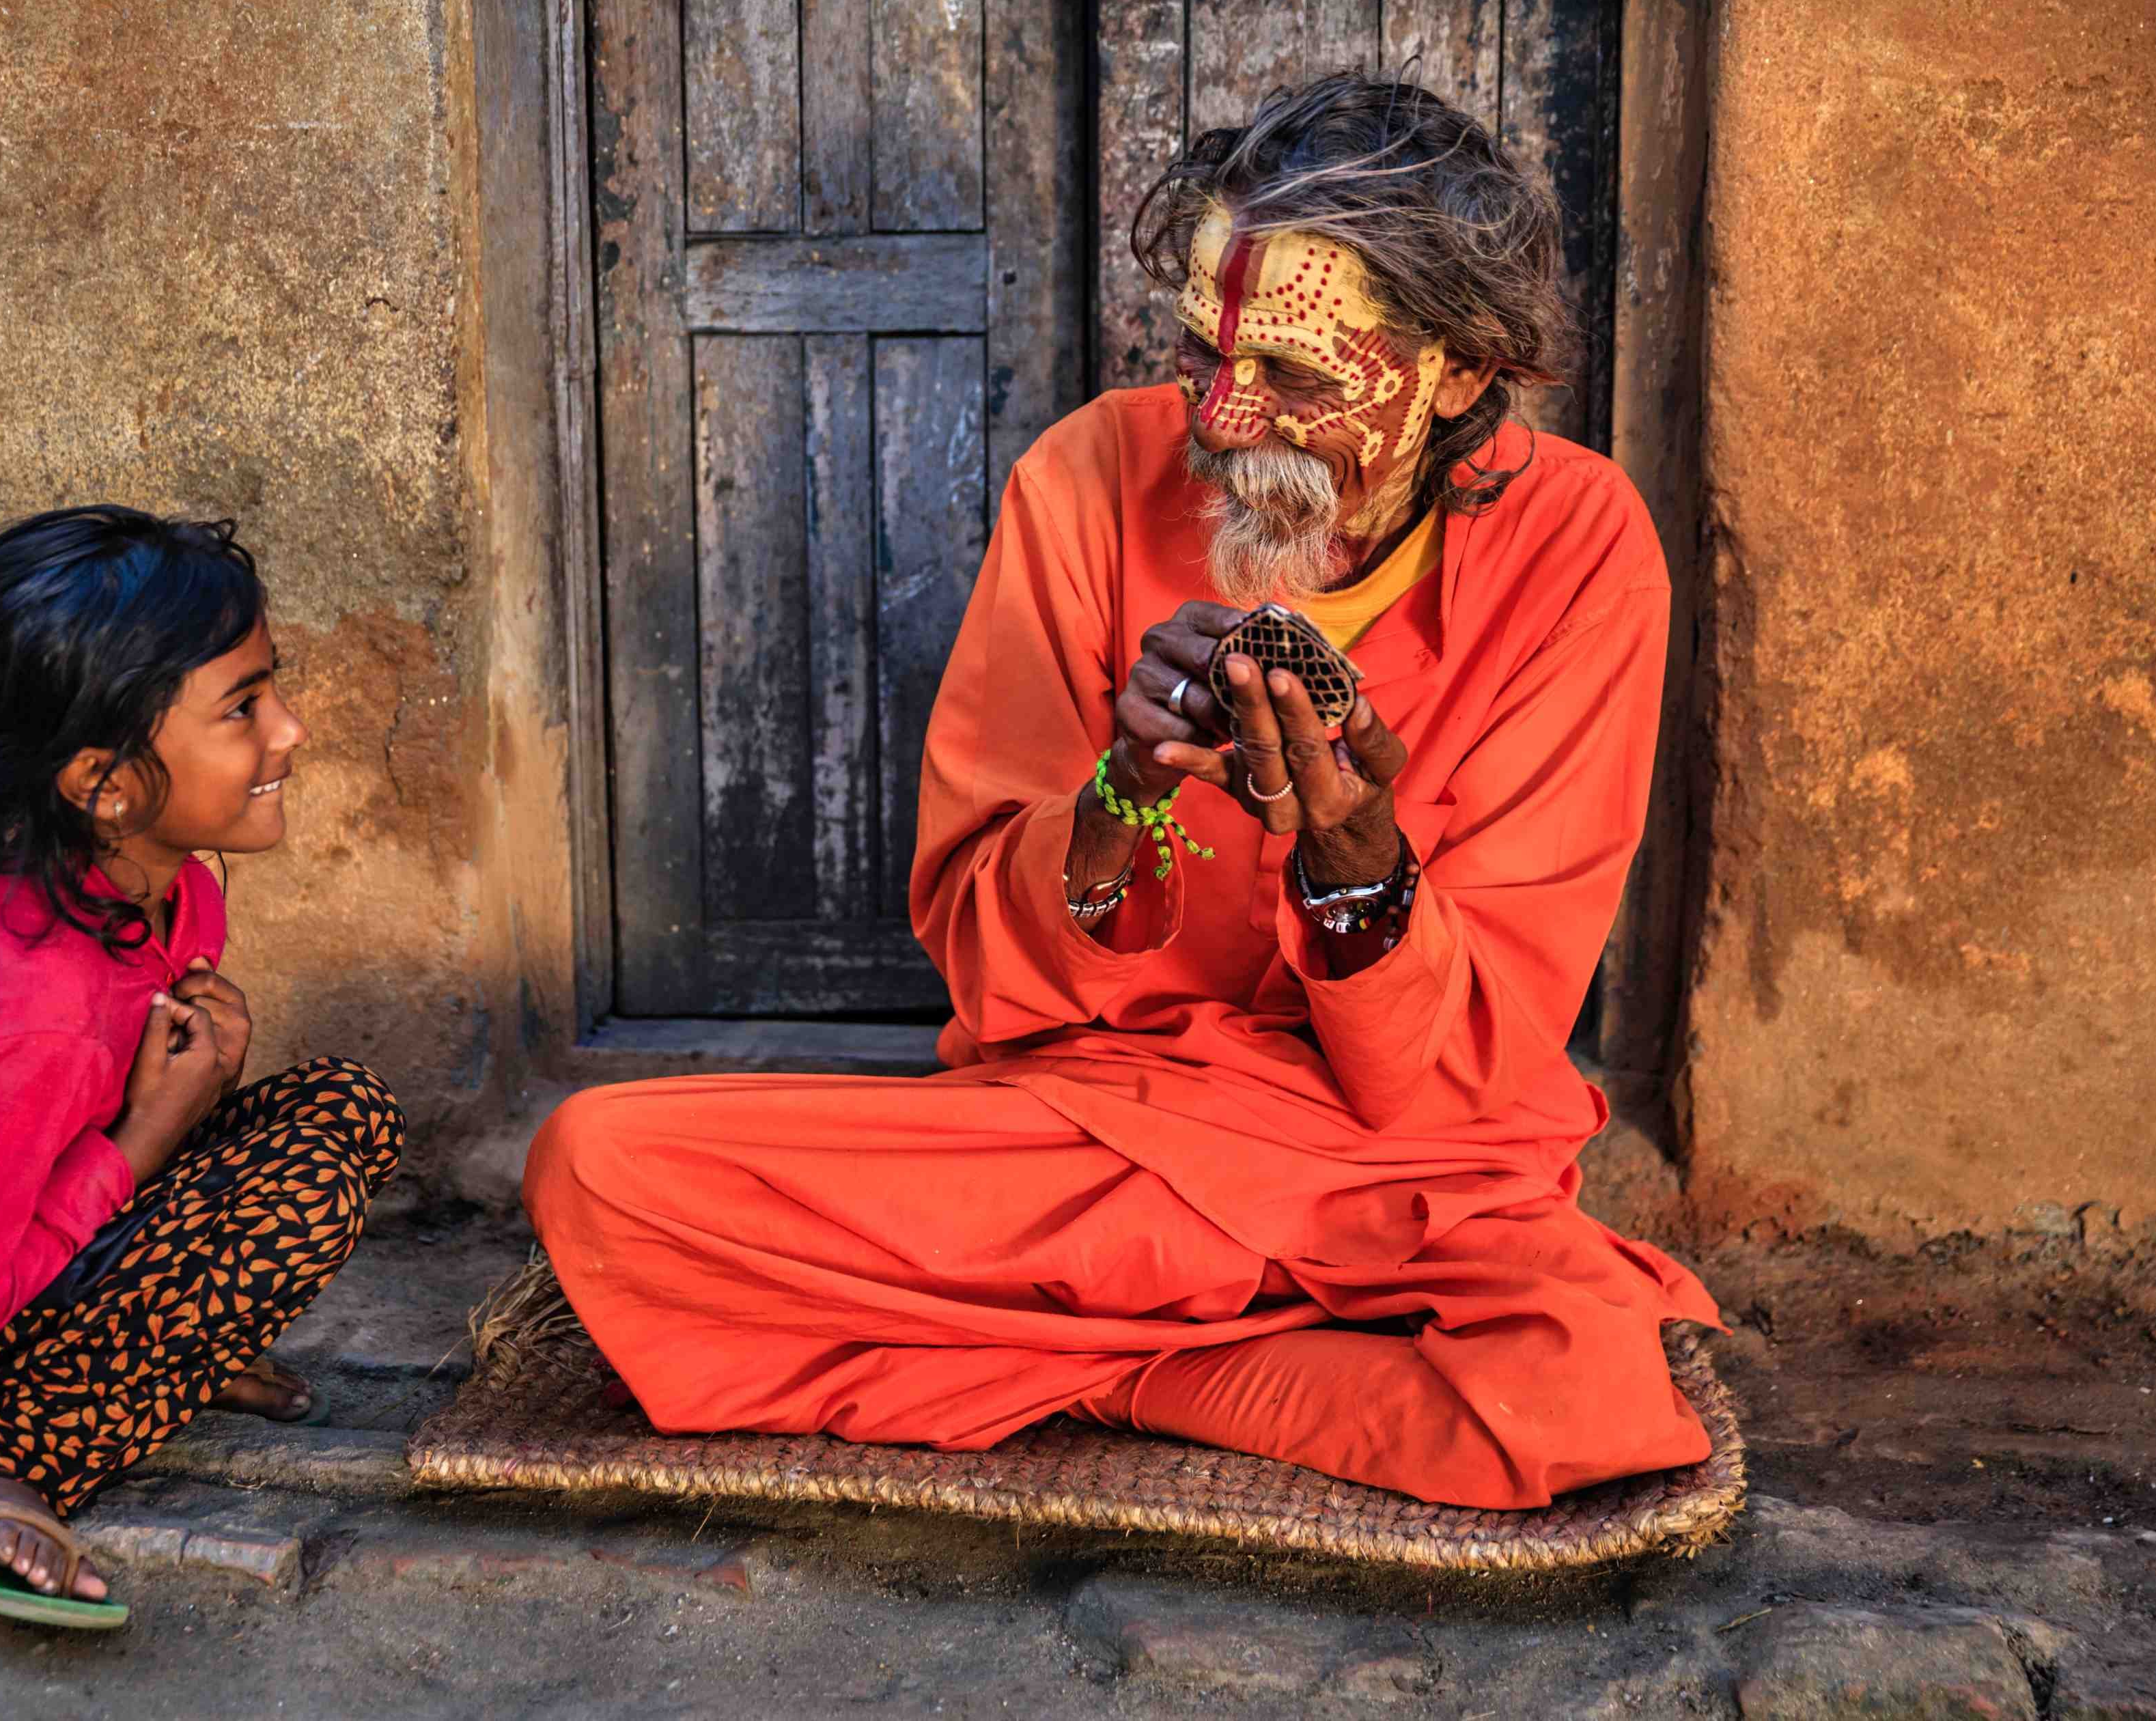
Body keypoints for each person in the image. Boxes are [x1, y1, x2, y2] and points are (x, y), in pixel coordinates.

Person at [524, 74, 1721, 1511]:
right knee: (601, 1164)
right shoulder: (1089, 476)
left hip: (1384, 1157)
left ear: (1461, 373)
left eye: (1292, 379)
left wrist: (1354, 856)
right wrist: (1122, 788)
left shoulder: (1579, 543)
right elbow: (986, 957)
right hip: (1090, 1135)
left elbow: (1466, 1064)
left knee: (1573, 1390)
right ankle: (1170, 1361)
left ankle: (1087, 1358)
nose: (1224, 415)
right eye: (1202, 354)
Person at [0, 507, 401, 1626]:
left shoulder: (179, 895)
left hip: (37, 1262)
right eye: (244, 708)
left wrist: (186, 1101)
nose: (293, 731)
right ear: (106, 783)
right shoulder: (37, 1008)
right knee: (303, 1191)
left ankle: (146, 1357)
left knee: (344, 1110)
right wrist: (150, 1136)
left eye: (273, 690)